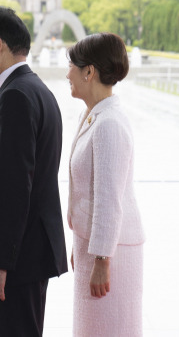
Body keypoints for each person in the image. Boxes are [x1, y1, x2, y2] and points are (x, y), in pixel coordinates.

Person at [0, 6, 68, 337]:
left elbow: (13, 189)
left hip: (16, 262)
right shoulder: (31, 88)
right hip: (27, 255)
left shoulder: (16, 97)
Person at [66, 33, 146, 336]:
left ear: (89, 72)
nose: (67, 73)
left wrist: (101, 257)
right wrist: (83, 243)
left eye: (72, 65)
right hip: (95, 247)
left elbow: (108, 199)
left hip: (112, 253)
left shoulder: (109, 123)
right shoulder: (93, 115)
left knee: (108, 329)